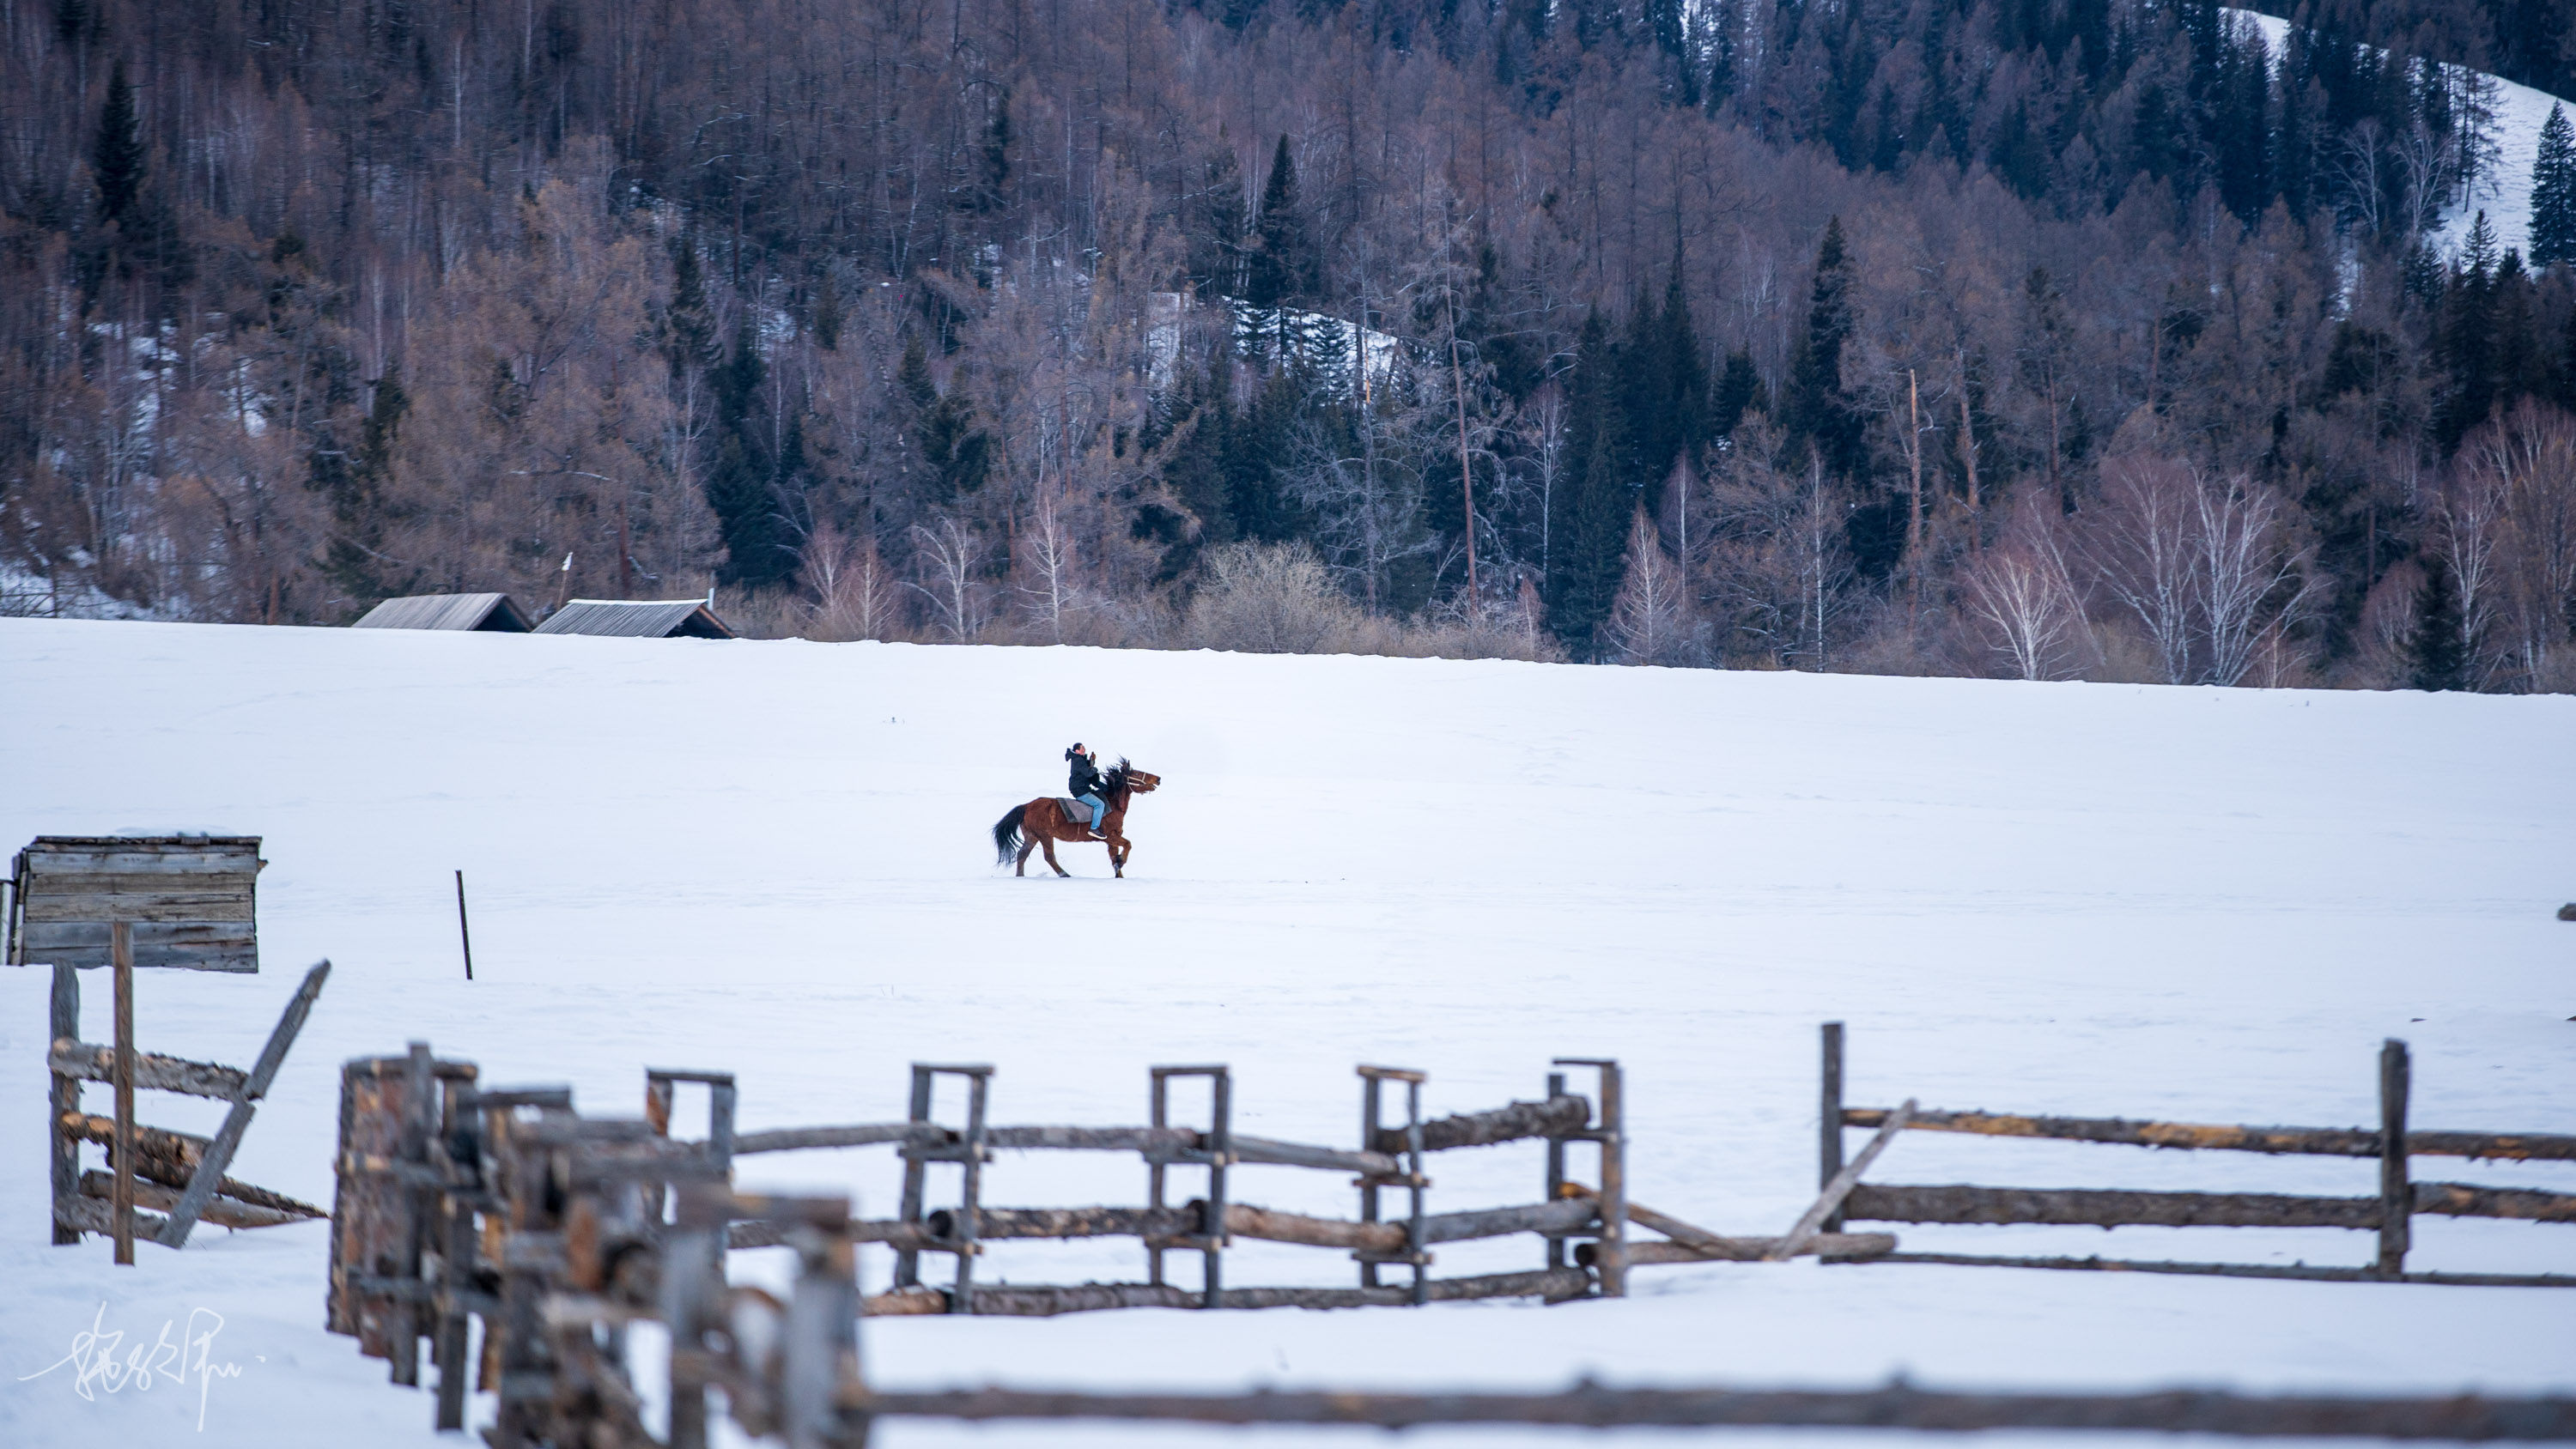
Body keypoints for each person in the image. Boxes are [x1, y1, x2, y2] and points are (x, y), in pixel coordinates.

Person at [1066, 743, 1109, 837]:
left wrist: (1091, 761)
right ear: (1077, 751)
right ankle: (1094, 829)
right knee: (1100, 805)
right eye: (1082, 748)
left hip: (1083, 788)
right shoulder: (1078, 760)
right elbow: (1088, 773)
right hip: (1080, 790)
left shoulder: (1080, 760)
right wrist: (1094, 768)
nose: (1084, 749)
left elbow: (1087, 772)